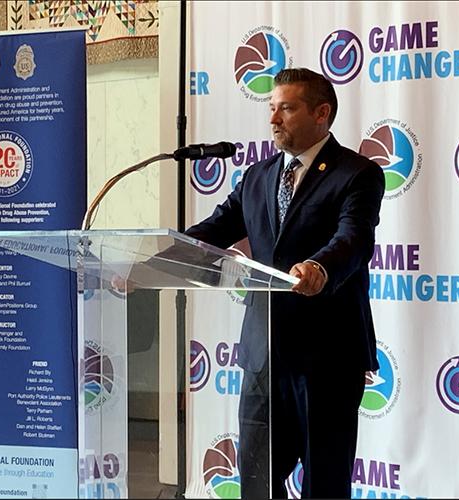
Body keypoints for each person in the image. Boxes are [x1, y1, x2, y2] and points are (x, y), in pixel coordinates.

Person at [184, 68, 384, 498]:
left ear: (321, 113)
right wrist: (162, 250)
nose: (273, 119)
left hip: (326, 357)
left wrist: (319, 268)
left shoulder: (357, 173)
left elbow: (353, 238)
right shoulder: (258, 176)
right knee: (257, 482)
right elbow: (217, 228)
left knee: (323, 485)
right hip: (263, 356)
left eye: (287, 109)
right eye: (271, 108)